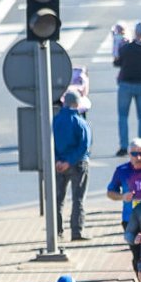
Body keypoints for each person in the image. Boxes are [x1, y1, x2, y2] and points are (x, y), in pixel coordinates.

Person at [54, 86, 93, 239]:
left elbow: (49, 142)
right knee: (78, 198)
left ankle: (56, 231)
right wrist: (70, 161)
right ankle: (77, 232)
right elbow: (84, 146)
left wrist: (58, 160)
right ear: (77, 104)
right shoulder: (80, 122)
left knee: (58, 199)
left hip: (58, 165)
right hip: (78, 165)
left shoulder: (55, 120)